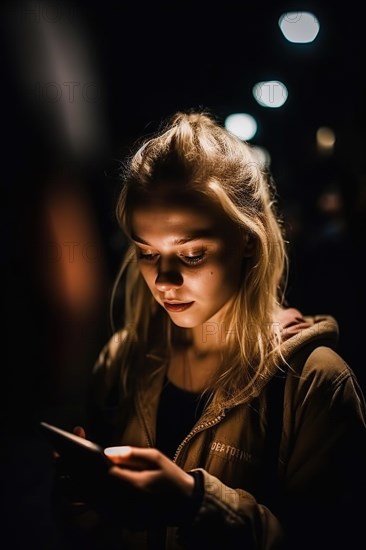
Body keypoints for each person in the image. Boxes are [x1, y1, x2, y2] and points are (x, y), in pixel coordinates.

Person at [52, 110, 366, 549]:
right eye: (146, 252)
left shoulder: (314, 384)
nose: (163, 280)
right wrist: (84, 505)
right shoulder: (123, 361)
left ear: (248, 242)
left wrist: (196, 503)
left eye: (192, 254)